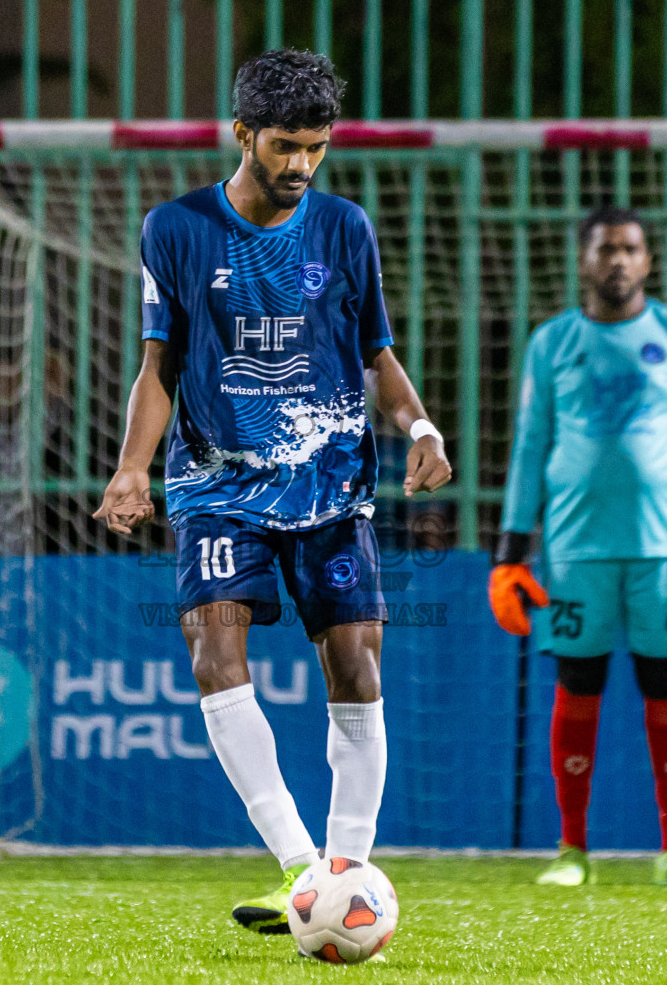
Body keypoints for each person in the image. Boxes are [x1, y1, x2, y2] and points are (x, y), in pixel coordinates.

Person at [93, 49, 450, 934]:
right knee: (213, 653)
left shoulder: (344, 227)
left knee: (356, 664)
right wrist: (132, 466)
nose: (301, 165)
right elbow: (159, 364)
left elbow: (375, 352)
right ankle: (301, 871)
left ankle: (345, 868)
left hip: (329, 482)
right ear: (243, 133)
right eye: (285, 145)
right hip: (216, 482)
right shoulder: (176, 228)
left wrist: (422, 428)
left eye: (316, 147)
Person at [489, 206, 667, 888]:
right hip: (575, 547)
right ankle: (572, 851)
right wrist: (509, 553)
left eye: (630, 249)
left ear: (648, 261)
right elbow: (529, 445)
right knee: (577, 682)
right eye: (606, 248)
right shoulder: (552, 343)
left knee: (665, 682)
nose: (618, 260)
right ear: (583, 260)